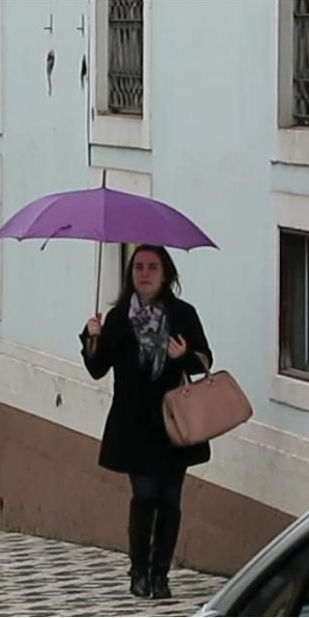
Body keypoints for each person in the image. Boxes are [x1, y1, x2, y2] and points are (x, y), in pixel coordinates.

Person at [79, 244, 213, 600]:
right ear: (130, 273)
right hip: (134, 423)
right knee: (145, 495)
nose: (145, 273)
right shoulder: (119, 316)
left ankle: (160, 574)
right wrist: (92, 336)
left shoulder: (183, 314)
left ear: (165, 273)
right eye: (138, 267)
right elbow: (97, 368)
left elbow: (204, 361)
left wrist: (184, 356)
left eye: (153, 267)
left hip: (174, 423)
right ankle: (138, 571)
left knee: (170, 498)